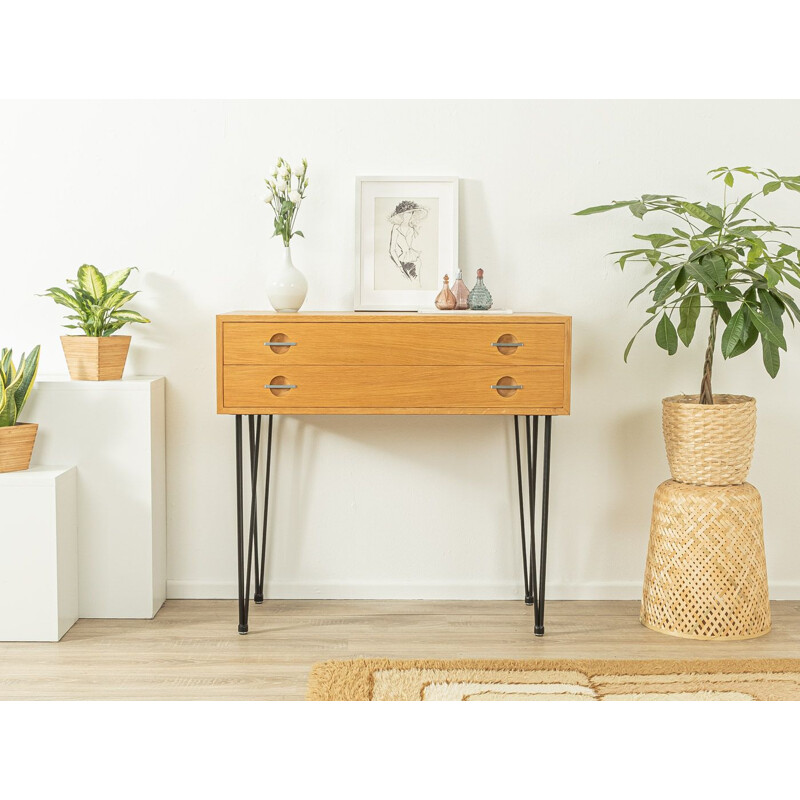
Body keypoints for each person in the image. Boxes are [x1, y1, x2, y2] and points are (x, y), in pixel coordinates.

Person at [388, 200, 428, 284]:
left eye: (411, 213)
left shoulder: (411, 229)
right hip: (401, 262)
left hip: (415, 261)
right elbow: (392, 250)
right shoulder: (395, 228)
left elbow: (418, 245)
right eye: (407, 213)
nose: (409, 215)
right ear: (401, 214)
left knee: (417, 282)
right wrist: (399, 266)